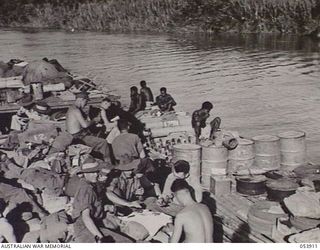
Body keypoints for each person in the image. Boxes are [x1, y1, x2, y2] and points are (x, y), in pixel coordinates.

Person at [72, 161, 132, 243]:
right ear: (85, 173)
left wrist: (128, 204)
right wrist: (101, 237)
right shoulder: (86, 189)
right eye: (92, 172)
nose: (96, 175)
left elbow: (107, 193)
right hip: (85, 227)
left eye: (96, 172)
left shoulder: (92, 185)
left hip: (95, 223)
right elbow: (86, 217)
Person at [65, 92, 110, 161]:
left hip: (73, 135)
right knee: (103, 142)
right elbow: (85, 125)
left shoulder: (71, 108)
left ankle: (97, 158)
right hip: (78, 137)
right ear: (82, 100)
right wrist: (94, 120)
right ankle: (108, 164)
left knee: (96, 135)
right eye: (86, 101)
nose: (86, 104)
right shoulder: (76, 110)